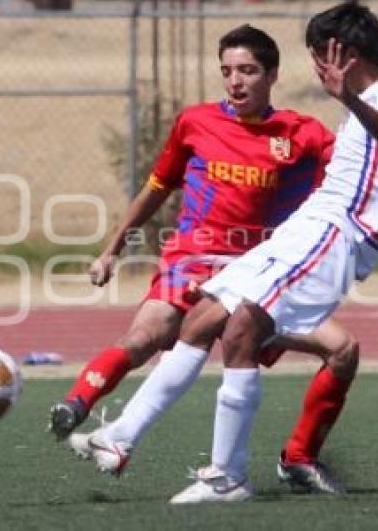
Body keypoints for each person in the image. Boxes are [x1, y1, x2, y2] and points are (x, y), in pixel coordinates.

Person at [73, 0, 378, 503]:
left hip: (338, 235)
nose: (318, 66)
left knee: (242, 328)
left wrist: (348, 100)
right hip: (308, 229)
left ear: (348, 54)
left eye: (322, 55)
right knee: (203, 319)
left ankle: (227, 476)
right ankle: (121, 437)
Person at [47, 24, 336, 441]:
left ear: (273, 76)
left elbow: (351, 172)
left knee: (339, 349)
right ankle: (75, 404)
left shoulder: (302, 134)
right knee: (146, 336)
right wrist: (111, 249)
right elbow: (156, 188)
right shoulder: (196, 122)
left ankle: (300, 457)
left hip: (255, 271)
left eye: (248, 70)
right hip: (192, 260)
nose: (235, 81)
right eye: (227, 70)